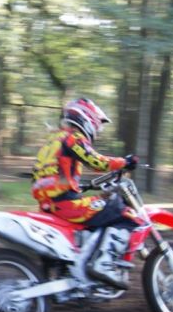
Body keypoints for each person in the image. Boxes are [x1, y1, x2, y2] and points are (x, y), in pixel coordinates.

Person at [31, 97, 140, 289]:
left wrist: (80, 187)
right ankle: (104, 264)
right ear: (86, 119)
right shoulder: (72, 138)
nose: (98, 129)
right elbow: (96, 161)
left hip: (49, 205)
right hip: (65, 205)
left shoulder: (53, 139)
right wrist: (125, 162)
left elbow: (53, 174)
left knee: (98, 210)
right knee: (122, 211)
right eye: (97, 124)